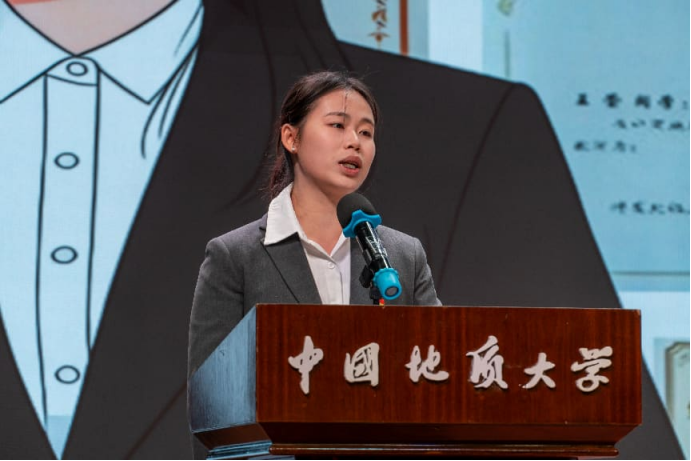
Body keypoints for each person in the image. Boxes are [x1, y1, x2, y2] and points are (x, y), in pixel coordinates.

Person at [188, 71, 442, 385]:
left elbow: (439, 367)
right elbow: (210, 393)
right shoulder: (235, 257)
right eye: (337, 125)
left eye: (366, 132)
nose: (355, 141)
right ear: (291, 138)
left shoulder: (404, 256)